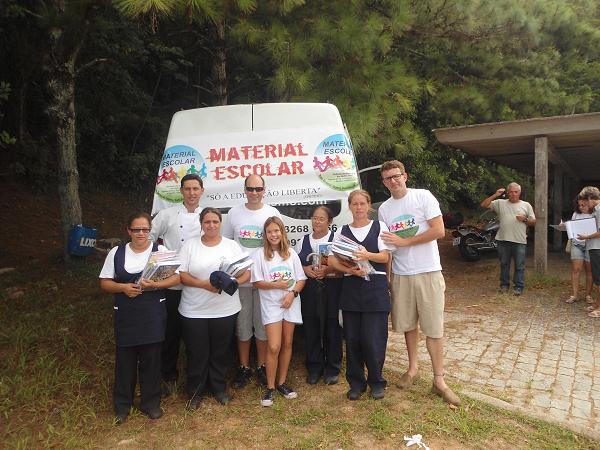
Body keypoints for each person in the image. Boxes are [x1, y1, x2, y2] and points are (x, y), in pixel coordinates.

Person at [378, 160, 460, 407]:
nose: (393, 181)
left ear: (405, 176)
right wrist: (388, 278)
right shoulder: (384, 209)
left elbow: (439, 231)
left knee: (433, 328)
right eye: (388, 178)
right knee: (408, 325)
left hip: (428, 271)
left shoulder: (423, 197)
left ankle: (439, 380)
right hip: (401, 274)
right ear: (384, 182)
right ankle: (413, 369)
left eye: (397, 176)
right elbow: (388, 247)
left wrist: (406, 242)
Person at [99, 212, 180, 424]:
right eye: (136, 229)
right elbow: (105, 282)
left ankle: (150, 403)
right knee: (124, 361)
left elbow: (176, 277)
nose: (141, 233)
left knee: (151, 360)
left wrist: (156, 285)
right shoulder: (117, 253)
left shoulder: (160, 251)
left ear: (150, 231)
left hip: (152, 313)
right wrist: (123, 288)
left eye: (145, 229)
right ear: (129, 231)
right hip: (126, 314)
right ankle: (122, 406)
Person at [178, 207, 250, 410]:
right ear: (201, 224)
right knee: (197, 352)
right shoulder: (190, 246)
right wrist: (204, 285)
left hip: (225, 309)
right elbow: (181, 275)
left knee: (220, 351)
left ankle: (219, 388)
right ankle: (195, 392)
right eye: (207, 222)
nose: (211, 225)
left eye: (215, 221)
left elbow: (246, 273)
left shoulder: (231, 246)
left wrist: (232, 283)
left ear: (220, 223)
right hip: (194, 310)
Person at [329, 189, 392, 401]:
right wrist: (350, 270)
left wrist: (367, 254)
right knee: (353, 339)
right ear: (349, 206)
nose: (358, 208)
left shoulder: (379, 227)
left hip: (375, 288)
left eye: (362, 204)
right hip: (352, 289)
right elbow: (332, 261)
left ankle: (376, 382)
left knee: (374, 339)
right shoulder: (342, 231)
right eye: (354, 204)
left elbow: (385, 257)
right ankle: (356, 384)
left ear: (369, 205)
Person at [222, 174, 282, 389]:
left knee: (263, 325)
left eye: (258, 189)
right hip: (242, 282)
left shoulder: (272, 213)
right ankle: (244, 367)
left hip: (265, 281)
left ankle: (263, 366)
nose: (254, 193)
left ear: (264, 190)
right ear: (244, 190)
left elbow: (278, 244)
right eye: (250, 189)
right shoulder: (234, 213)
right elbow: (226, 244)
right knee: (243, 325)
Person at [149, 173, 204, 393]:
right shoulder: (167, 214)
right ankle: (168, 374)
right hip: (171, 283)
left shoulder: (207, 216)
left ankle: (195, 375)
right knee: (170, 331)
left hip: (197, 283)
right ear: (181, 191)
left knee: (194, 333)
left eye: (195, 189)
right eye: (187, 189)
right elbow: (149, 237)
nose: (191, 193)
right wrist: (160, 257)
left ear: (202, 191)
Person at [251, 216, 306, 406]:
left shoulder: (291, 253)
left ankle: (282, 383)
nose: (273, 234)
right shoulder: (259, 255)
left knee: (287, 342)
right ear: (265, 235)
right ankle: (270, 387)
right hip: (271, 305)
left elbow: (301, 279)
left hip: (291, 303)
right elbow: (256, 282)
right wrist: (276, 285)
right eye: (269, 231)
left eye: (276, 231)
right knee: (274, 346)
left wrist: (292, 294)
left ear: (282, 232)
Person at [295, 206, 343, 385]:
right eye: (315, 218)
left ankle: (332, 368)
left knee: (332, 327)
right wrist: (305, 269)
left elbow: (345, 264)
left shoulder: (336, 239)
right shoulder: (303, 240)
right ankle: (314, 367)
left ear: (330, 221)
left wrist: (327, 270)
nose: (317, 221)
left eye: (321, 219)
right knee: (311, 328)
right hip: (309, 291)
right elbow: (294, 264)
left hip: (332, 289)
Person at [480, 182, 536, 296]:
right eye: (511, 192)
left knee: (519, 265)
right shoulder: (500, 203)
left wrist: (525, 219)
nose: (513, 194)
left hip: (519, 240)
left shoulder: (526, 205)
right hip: (503, 240)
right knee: (504, 264)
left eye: (516, 192)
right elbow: (484, 205)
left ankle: (518, 287)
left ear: (519, 192)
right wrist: (495, 195)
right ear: (508, 192)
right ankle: (504, 286)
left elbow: (534, 221)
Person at [576, 186, 600, 318]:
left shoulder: (599, 210)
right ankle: (597, 304)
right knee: (597, 278)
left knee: (599, 279)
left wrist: (587, 237)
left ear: (590, 198)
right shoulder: (596, 210)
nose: (585, 204)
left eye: (585, 201)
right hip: (594, 247)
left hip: (598, 247)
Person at [565, 196, 593, 304]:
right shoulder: (576, 214)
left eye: (583, 205)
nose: (581, 207)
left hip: (590, 244)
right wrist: (565, 226)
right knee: (576, 269)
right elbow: (572, 228)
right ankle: (575, 295)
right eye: (579, 205)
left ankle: (588, 295)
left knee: (589, 271)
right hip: (577, 243)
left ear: (589, 203)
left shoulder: (595, 214)